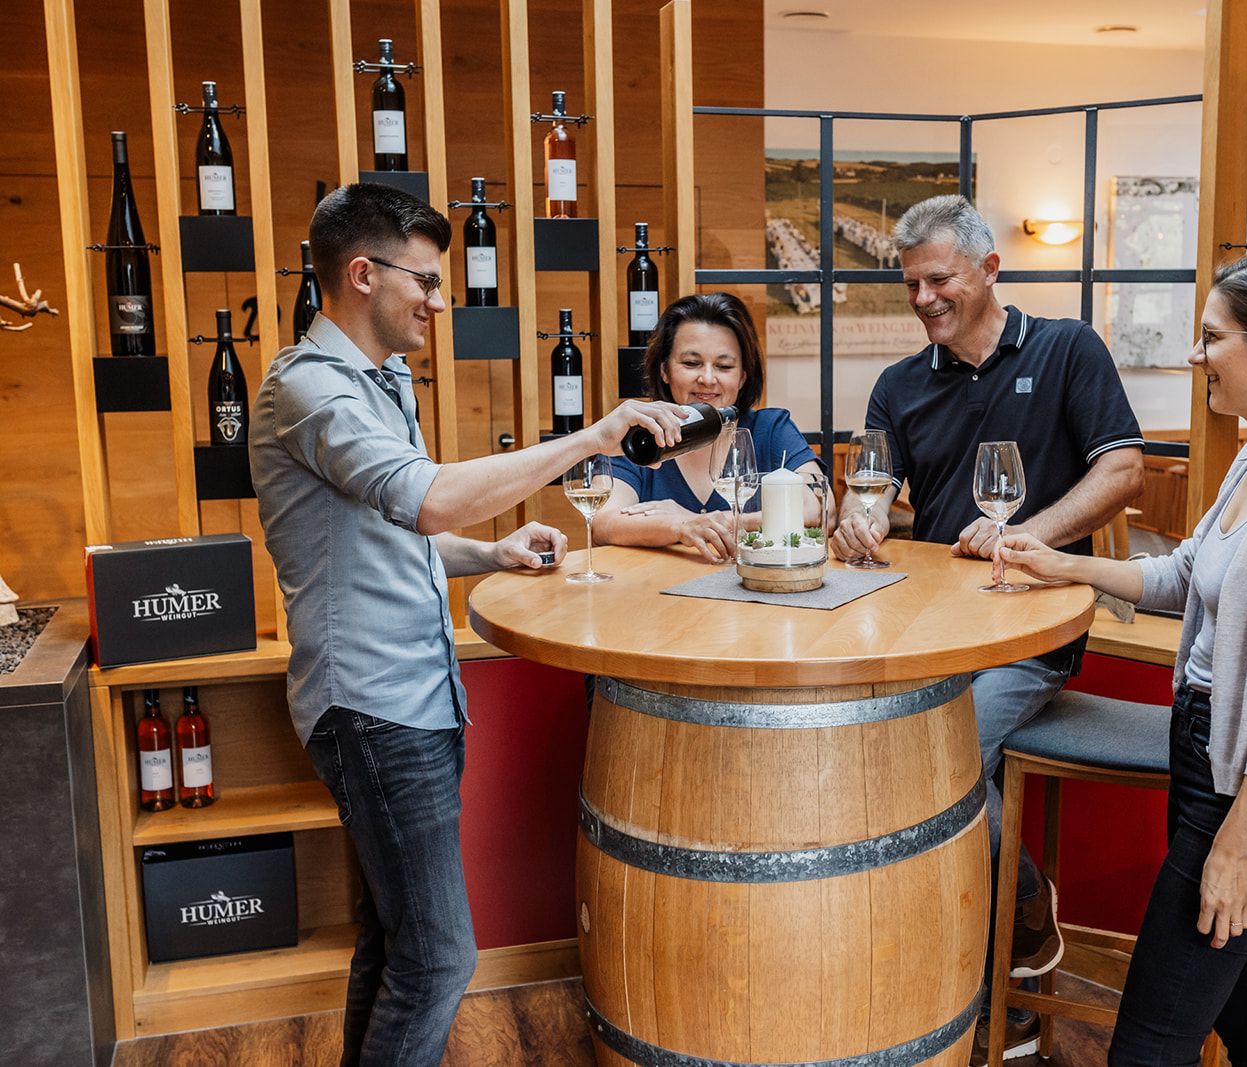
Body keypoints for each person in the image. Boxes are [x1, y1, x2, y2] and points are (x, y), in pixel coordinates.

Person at [249, 182, 688, 1066]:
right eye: (427, 282)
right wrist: (589, 437)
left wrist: (491, 555)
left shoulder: (381, 383)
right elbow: (429, 498)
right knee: (443, 958)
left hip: (414, 697)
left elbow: (382, 541)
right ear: (363, 274)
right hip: (373, 707)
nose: (443, 302)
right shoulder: (307, 390)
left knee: (395, 942)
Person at [1000, 252, 1247, 1066]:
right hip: (1207, 760)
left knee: (1148, 1043)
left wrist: (1234, 850)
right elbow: (1181, 575)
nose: (1196, 354)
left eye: (1212, 338)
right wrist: (1064, 563)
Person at [829, 194, 1145, 1063]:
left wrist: (1031, 532)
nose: (924, 299)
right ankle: (958, 943)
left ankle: (1018, 939)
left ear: (990, 270)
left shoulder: (1066, 348)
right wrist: (860, 517)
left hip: (1027, 626)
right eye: (912, 285)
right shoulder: (898, 383)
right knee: (877, 747)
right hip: (923, 626)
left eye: (940, 280)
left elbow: (1122, 468)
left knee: (949, 752)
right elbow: (875, 492)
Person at [593, 292, 827, 561]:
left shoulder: (771, 430)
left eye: (723, 366)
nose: (707, 378)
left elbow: (817, 508)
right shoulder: (639, 435)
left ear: (742, 377)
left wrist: (716, 521)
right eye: (691, 363)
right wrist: (679, 526)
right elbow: (603, 522)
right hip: (657, 597)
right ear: (664, 371)